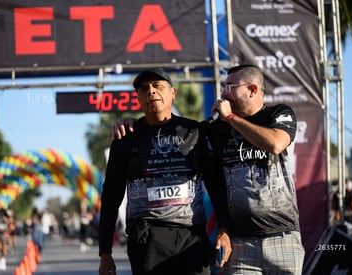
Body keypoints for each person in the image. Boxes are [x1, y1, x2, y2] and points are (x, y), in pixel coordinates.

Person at [111, 64, 305, 274]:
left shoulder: (278, 114)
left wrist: (231, 118)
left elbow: (275, 144)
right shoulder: (215, 128)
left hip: (283, 237)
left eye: (231, 86)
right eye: (224, 86)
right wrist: (132, 124)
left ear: (253, 89)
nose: (224, 93)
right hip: (240, 242)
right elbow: (176, 130)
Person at [98, 68, 231, 275]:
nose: (151, 92)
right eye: (144, 89)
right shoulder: (126, 138)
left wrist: (224, 229)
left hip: (192, 238)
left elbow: (216, 184)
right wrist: (105, 252)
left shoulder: (196, 132)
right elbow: (111, 196)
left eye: (157, 86)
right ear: (138, 99)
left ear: (173, 93)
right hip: (148, 240)